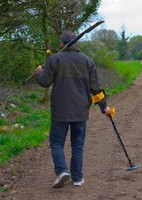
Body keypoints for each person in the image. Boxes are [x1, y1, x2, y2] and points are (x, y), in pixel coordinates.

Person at [35, 31, 111, 188]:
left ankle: (62, 171)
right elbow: (96, 87)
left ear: (62, 44)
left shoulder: (54, 59)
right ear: (76, 44)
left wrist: (39, 73)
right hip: (81, 110)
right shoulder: (87, 61)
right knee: (77, 145)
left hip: (60, 111)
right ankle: (77, 178)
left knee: (56, 143)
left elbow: (45, 82)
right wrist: (105, 107)